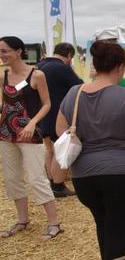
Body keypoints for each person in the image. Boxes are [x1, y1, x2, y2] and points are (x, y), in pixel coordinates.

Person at [57, 40, 125, 260]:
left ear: (95, 65)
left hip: (85, 176)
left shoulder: (74, 94)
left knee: (103, 225)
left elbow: (61, 131)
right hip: (124, 174)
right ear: (120, 67)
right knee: (119, 231)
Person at [0, 36, 62, 240]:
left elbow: (47, 104)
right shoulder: (4, 76)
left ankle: (54, 223)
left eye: (4, 51)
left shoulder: (37, 75)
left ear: (18, 51)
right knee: (12, 178)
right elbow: (5, 105)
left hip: (30, 134)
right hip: (6, 134)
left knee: (37, 178)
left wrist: (33, 122)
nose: (1, 55)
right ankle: (22, 220)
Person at [37, 41, 82, 198]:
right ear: (69, 55)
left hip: (42, 114)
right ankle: (58, 185)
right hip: (58, 114)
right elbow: (80, 86)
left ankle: (51, 181)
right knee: (61, 150)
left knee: (49, 149)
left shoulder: (39, 65)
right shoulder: (62, 68)